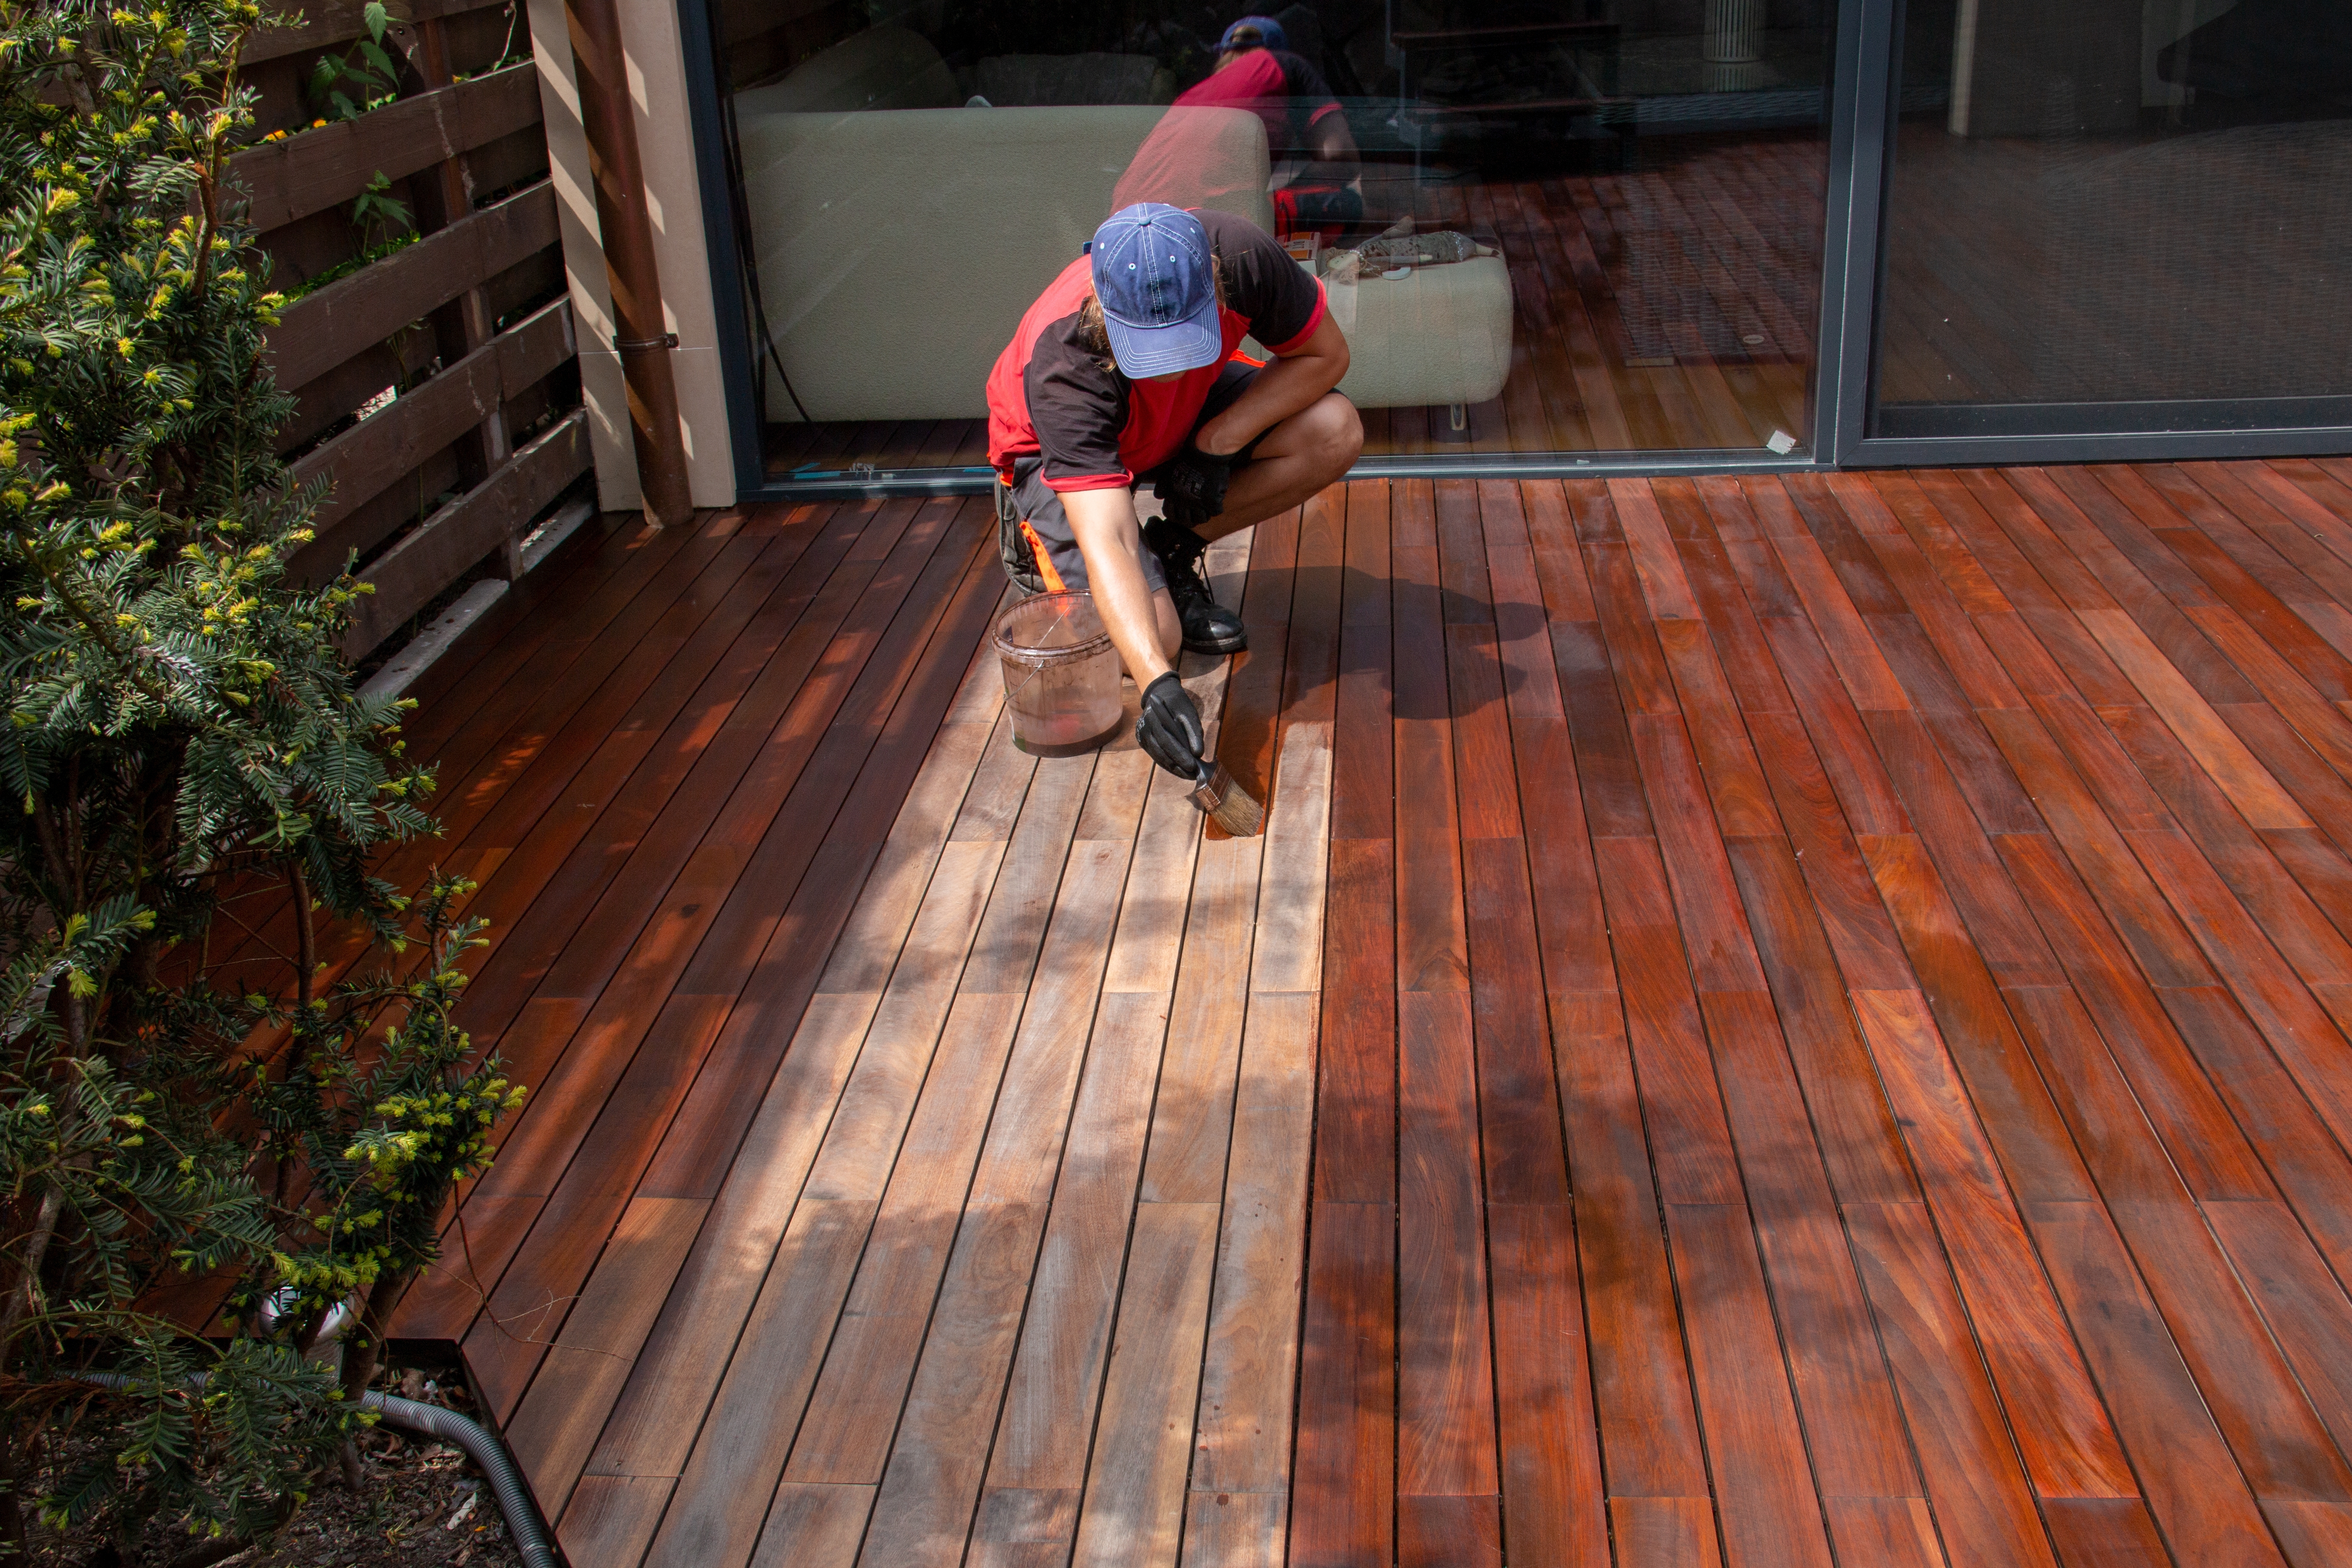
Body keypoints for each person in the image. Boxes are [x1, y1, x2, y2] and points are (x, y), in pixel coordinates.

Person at [984, 202, 1361, 781]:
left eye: (1184, 340)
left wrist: (1218, 440)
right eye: (1148, 348)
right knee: (1158, 641)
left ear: (1215, 283)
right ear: (1102, 310)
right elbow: (1108, 536)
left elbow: (1326, 355)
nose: (1165, 365)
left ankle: (1169, 551)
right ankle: (1118, 572)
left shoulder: (1242, 256)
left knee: (1334, 432)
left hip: (1187, 414)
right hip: (1052, 453)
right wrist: (1159, 686)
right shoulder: (1064, 359)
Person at [1173, 15, 1362, 238]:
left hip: (1142, 221)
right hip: (1210, 227)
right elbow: (1341, 157)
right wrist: (1282, 193)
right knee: (1347, 205)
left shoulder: (1188, 97)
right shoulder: (1282, 65)